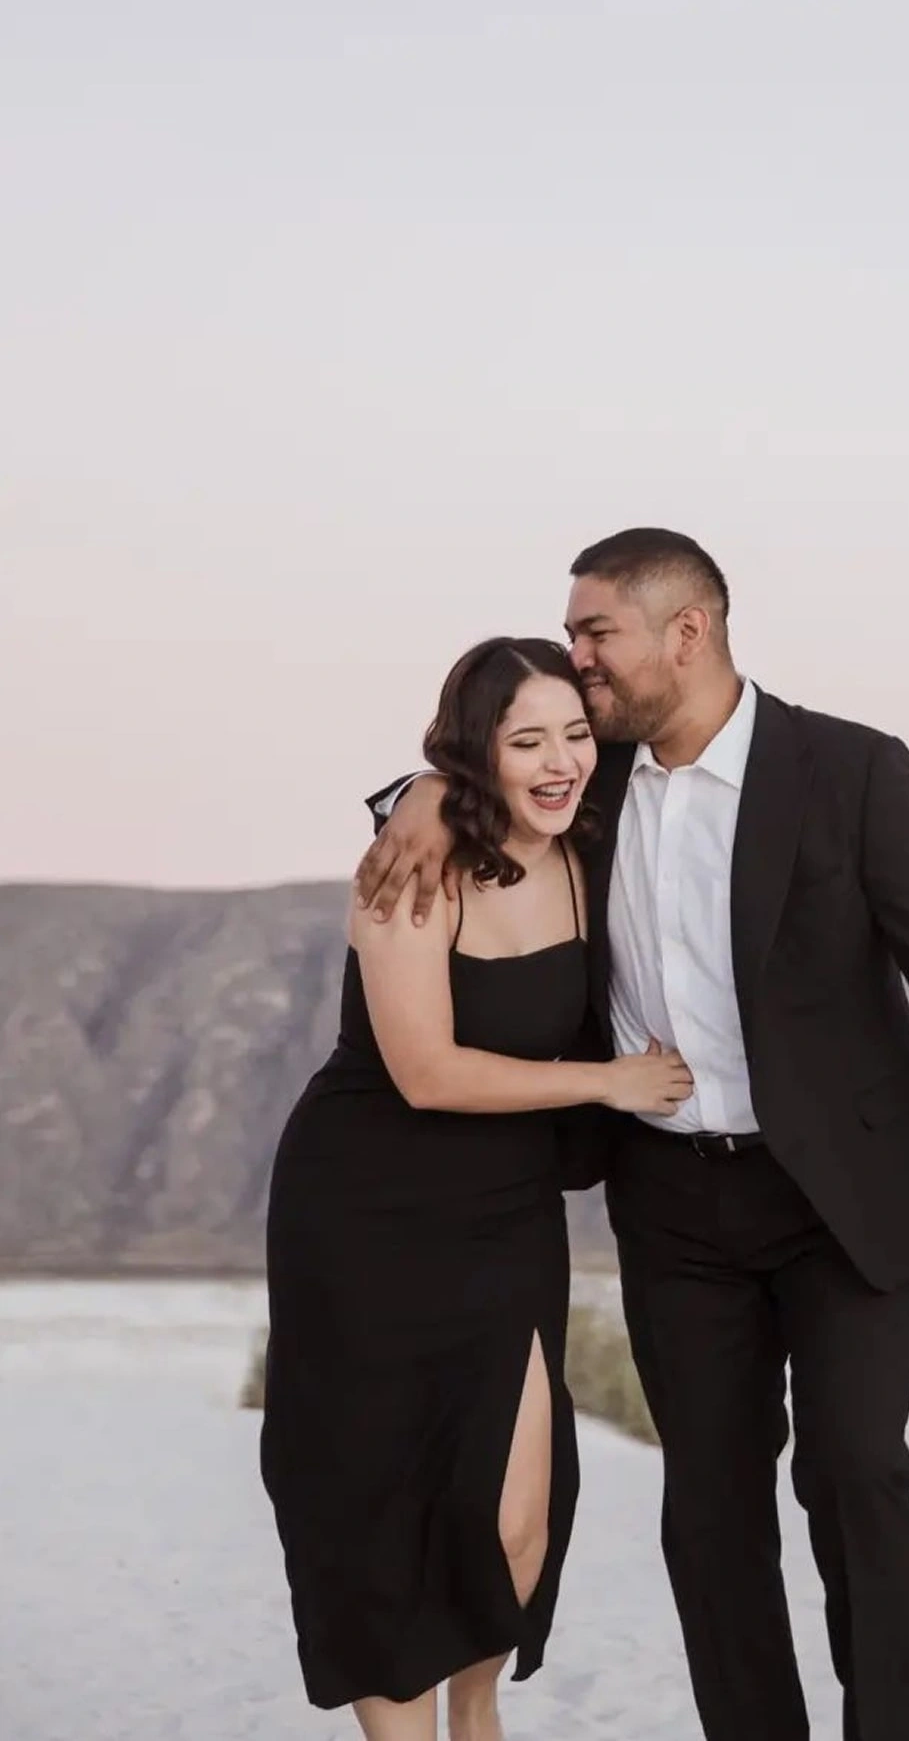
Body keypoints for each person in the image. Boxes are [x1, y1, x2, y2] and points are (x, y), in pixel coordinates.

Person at [357, 533, 909, 1741]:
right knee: (709, 1508)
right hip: (673, 1202)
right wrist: (429, 796)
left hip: (843, 1200)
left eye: (597, 634)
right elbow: (477, 776)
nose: (578, 660)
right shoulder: (587, 785)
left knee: (856, 1475)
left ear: (685, 633)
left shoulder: (848, 771)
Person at [261, 636, 693, 1741]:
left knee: (518, 1519)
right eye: (526, 740)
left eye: (575, 736)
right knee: (383, 1503)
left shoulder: (587, 843)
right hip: (367, 1212)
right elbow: (426, 1070)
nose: (560, 762)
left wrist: (417, 786)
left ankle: (478, 1713)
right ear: (477, 753)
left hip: (505, 1212)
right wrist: (614, 1080)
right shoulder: (413, 868)